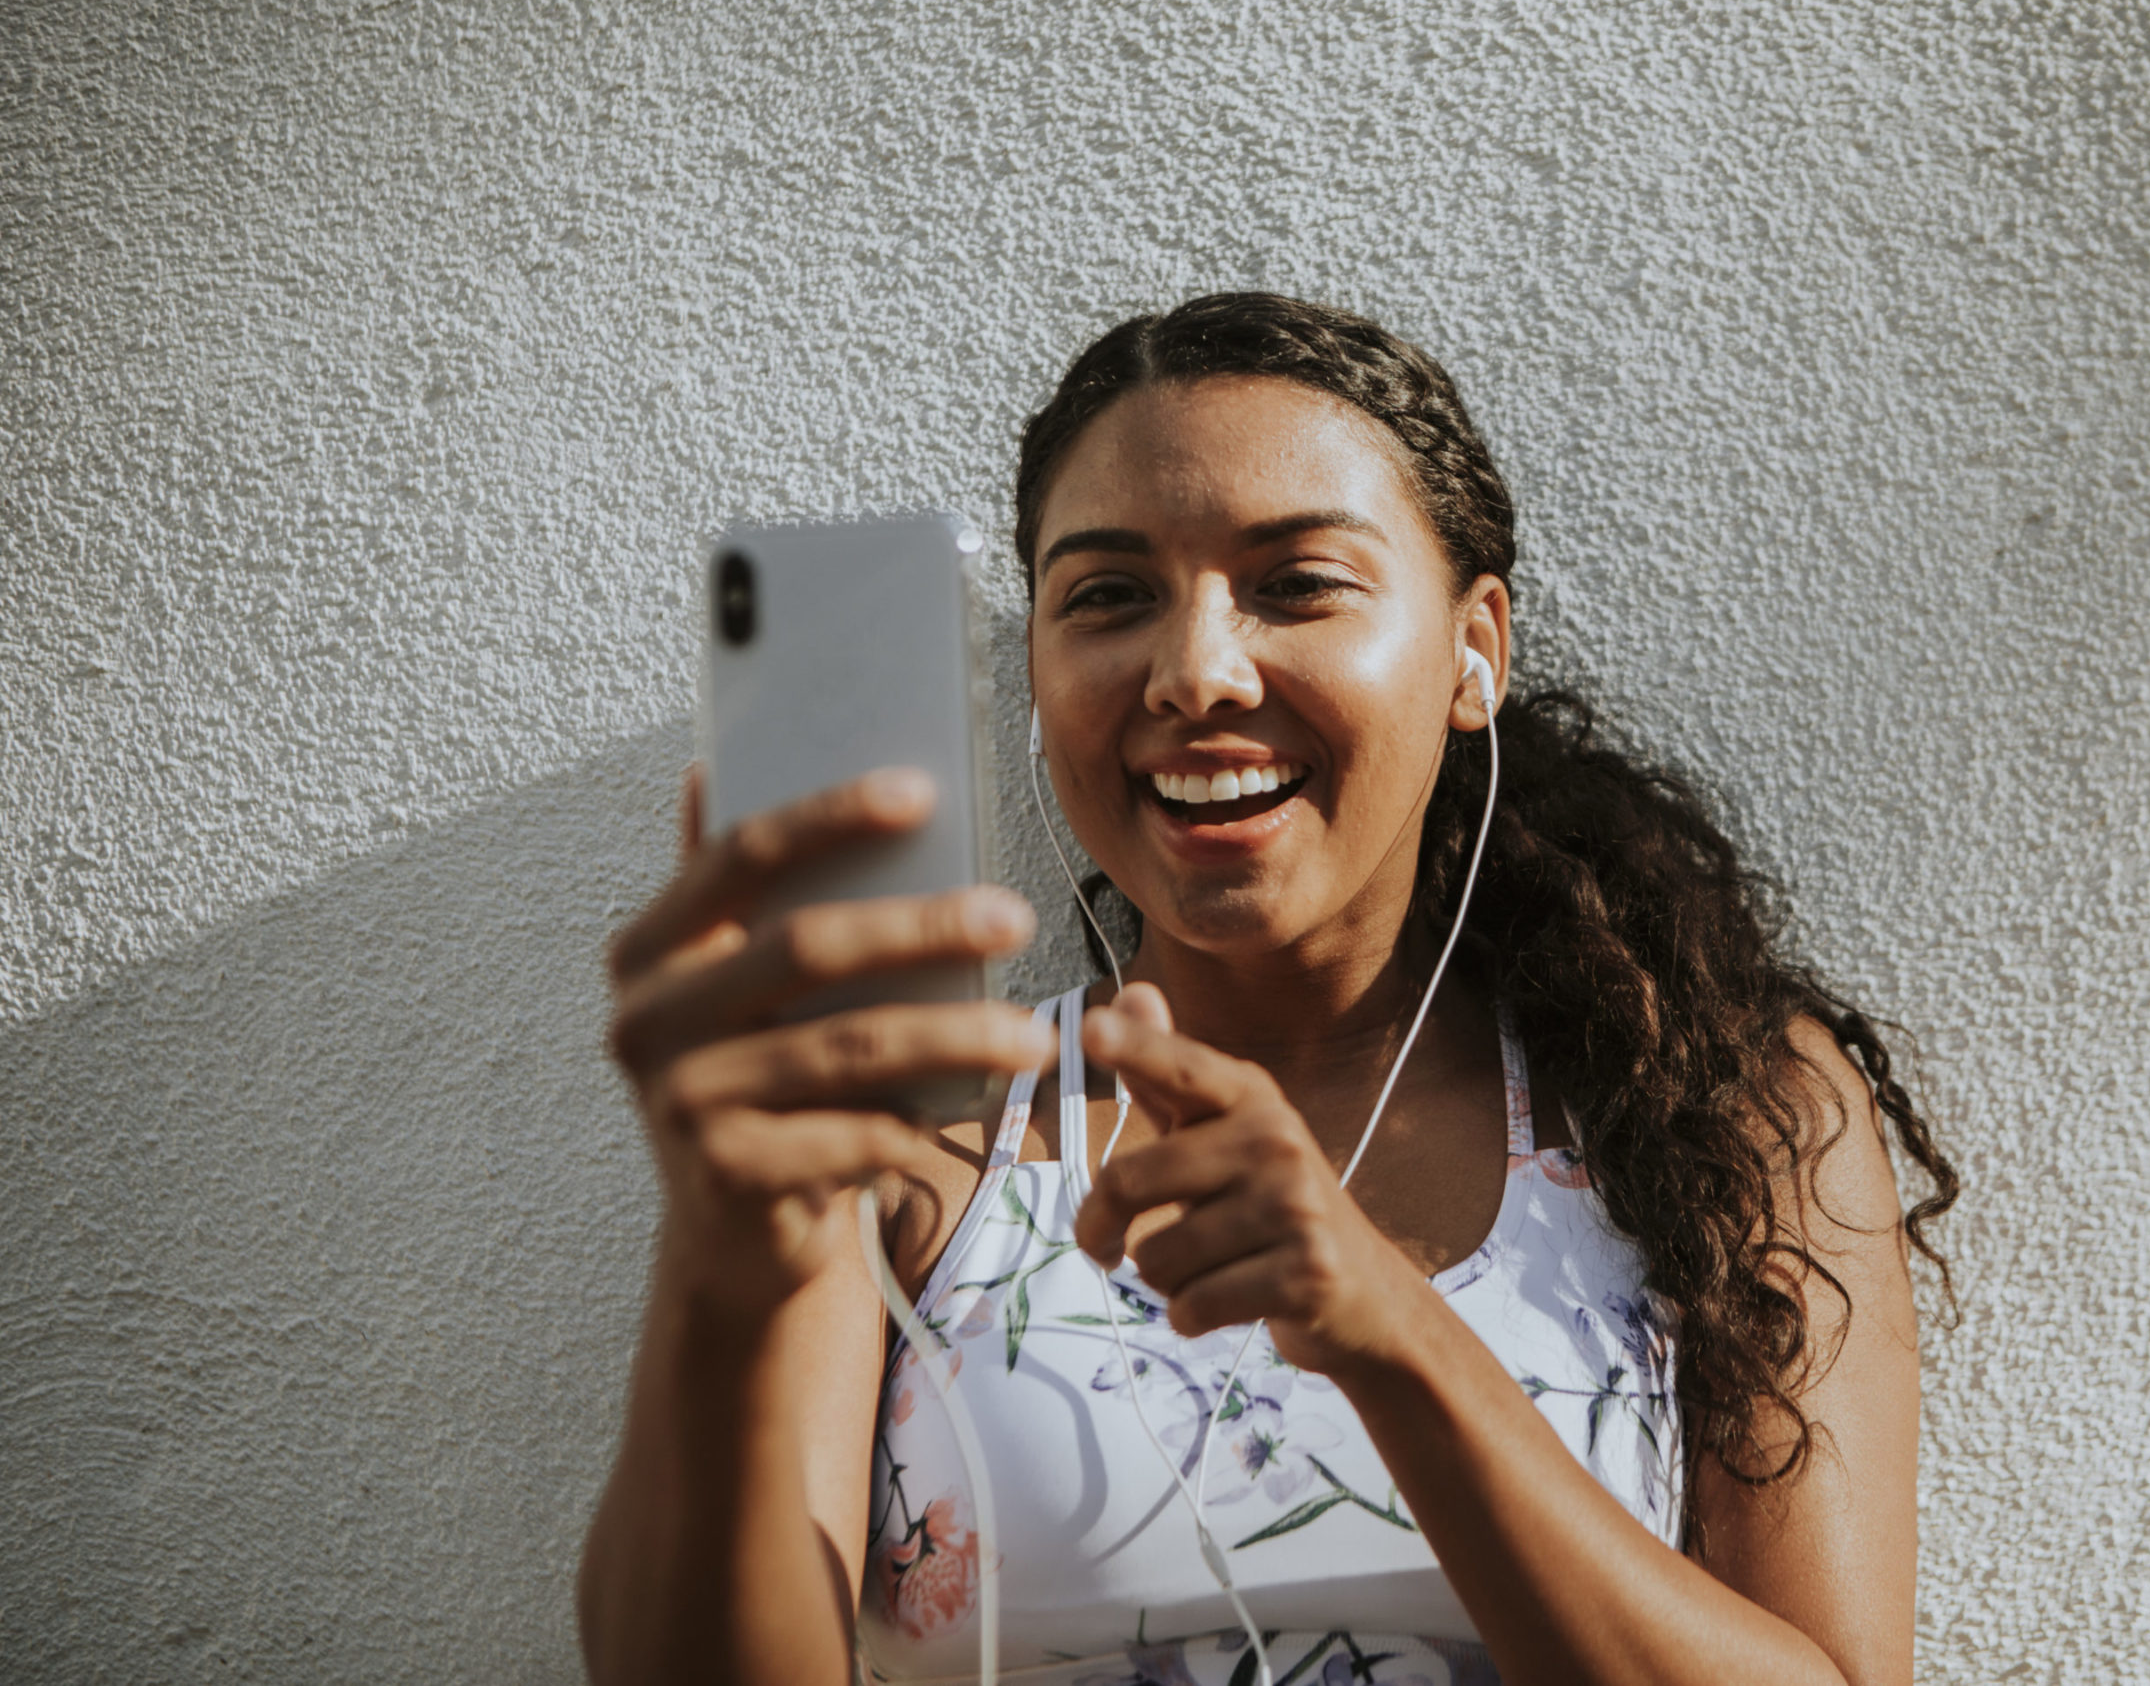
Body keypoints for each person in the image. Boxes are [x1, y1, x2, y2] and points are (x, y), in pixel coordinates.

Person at [578, 293, 1958, 1686]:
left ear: (1475, 649)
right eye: (1110, 596)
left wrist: (1391, 1330)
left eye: (1296, 583)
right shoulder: (904, 1135)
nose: (1194, 674)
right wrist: (719, 1268)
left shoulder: (1713, 1101)